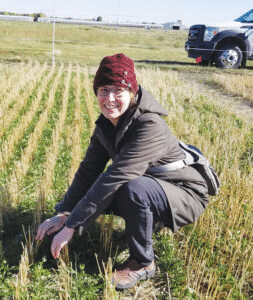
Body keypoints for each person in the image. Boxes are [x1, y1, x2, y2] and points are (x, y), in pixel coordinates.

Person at [35, 53, 209, 290]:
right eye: (104, 90)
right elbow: (88, 172)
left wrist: (72, 225)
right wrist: (65, 212)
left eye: (118, 90)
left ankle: (143, 262)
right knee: (107, 184)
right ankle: (147, 219)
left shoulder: (149, 125)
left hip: (184, 194)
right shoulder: (107, 124)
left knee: (131, 188)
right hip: (155, 186)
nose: (110, 98)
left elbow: (115, 177)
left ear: (132, 92)